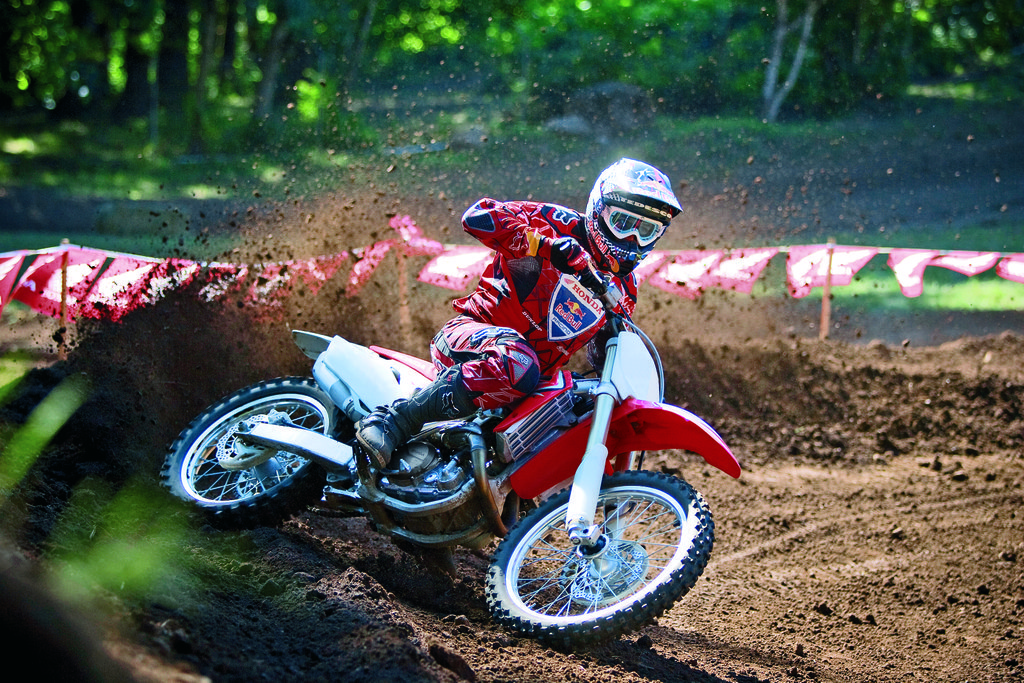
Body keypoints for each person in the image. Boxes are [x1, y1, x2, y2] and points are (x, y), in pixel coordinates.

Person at [356, 158, 682, 470]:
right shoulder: (554, 222)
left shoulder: (624, 290)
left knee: (579, 405)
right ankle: (395, 420)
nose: (631, 239)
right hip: (468, 339)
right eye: (623, 223)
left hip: (528, 386)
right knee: (518, 363)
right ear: (599, 210)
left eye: (646, 230)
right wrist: (545, 246)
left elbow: (606, 358)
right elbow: (476, 216)